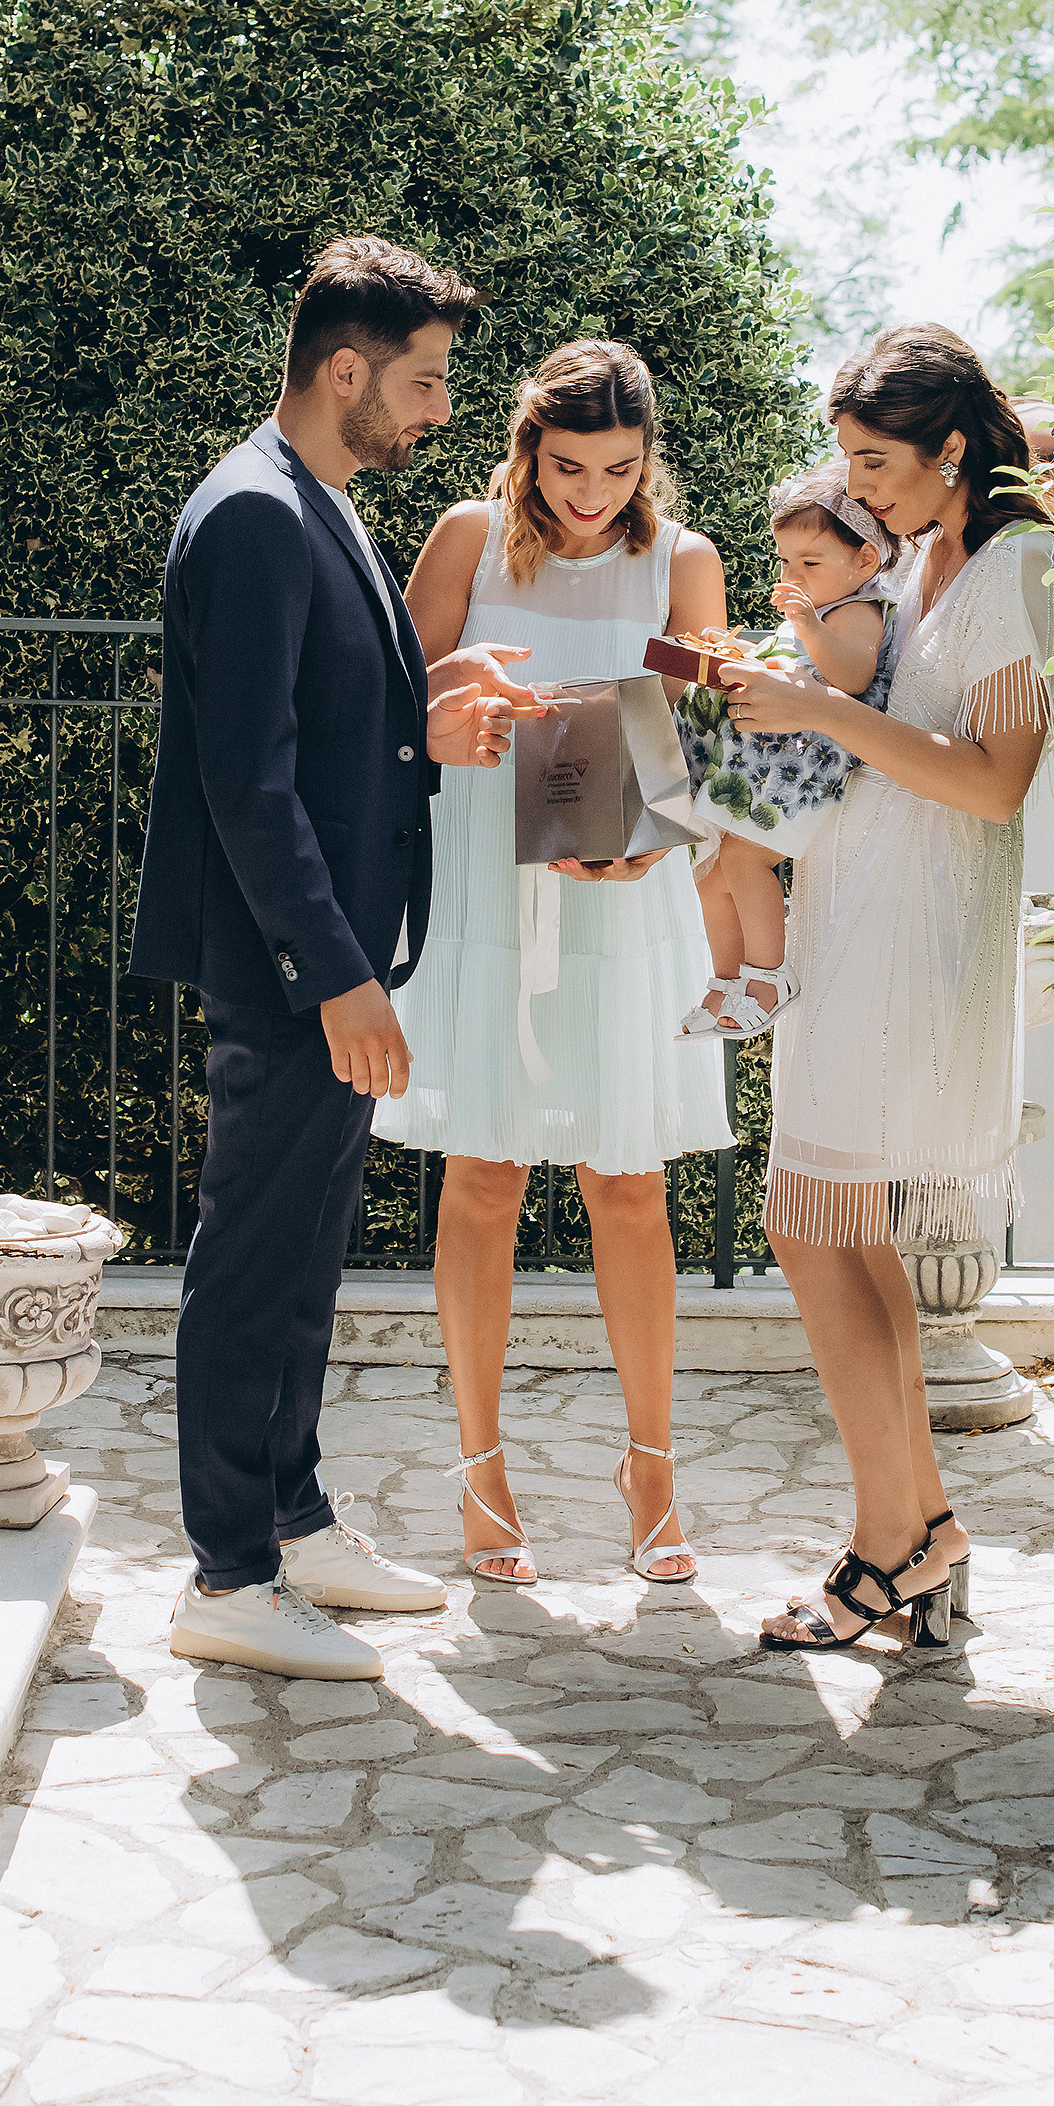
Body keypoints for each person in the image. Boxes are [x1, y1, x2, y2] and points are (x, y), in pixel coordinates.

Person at [130, 234, 532, 1682]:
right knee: (253, 1259)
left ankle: (292, 1522)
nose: (436, 413)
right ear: (343, 368)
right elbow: (247, 778)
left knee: (304, 1256)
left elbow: (311, 724)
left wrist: (426, 711)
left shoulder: (323, 500)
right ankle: (228, 1576)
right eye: (422, 384)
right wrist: (336, 973)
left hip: (335, 955)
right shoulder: (251, 512)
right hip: (296, 965)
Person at [715, 325, 1054, 1655]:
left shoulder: (1023, 566)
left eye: (877, 461)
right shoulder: (925, 551)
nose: (856, 487)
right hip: (856, 915)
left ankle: (893, 1544)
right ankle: (919, 1533)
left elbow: (994, 783)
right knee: (835, 1227)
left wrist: (815, 715)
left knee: (811, 1219)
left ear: (950, 449)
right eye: (847, 460)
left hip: (919, 940)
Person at [374, 340, 732, 1588]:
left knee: (627, 1185)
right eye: (569, 465)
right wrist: (465, 715)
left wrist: (655, 842)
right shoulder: (466, 537)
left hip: (623, 897)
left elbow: (706, 743)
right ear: (528, 446)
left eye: (620, 469)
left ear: (647, 461)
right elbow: (391, 700)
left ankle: (650, 1469)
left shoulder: (682, 560)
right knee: (481, 1175)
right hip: (483, 877)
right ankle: (481, 1471)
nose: (592, 494)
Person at [675, 467, 898, 1043]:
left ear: (865, 562)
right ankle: (727, 983)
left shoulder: (856, 611)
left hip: (804, 767)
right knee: (712, 871)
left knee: (748, 861)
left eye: (810, 563)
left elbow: (851, 676)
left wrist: (805, 624)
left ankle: (770, 979)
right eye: (785, 563)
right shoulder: (816, 613)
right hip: (763, 761)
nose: (792, 576)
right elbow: (789, 667)